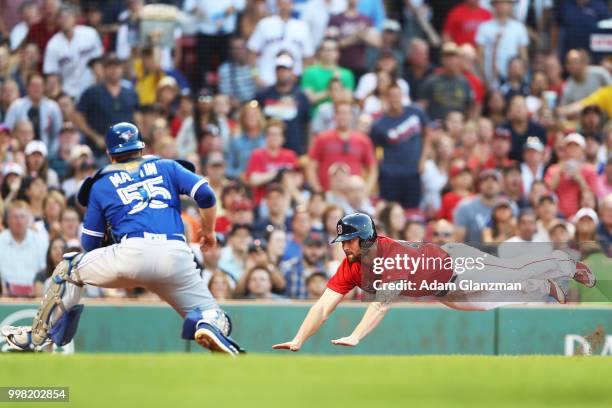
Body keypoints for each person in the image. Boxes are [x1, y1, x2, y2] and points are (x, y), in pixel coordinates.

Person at [1, 122, 244, 355]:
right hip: (176, 256)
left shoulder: (102, 182)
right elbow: (206, 195)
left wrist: (110, 250)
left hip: (131, 254)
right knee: (214, 314)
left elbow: (90, 244)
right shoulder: (168, 166)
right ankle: (209, 323)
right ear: (142, 147)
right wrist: (208, 232)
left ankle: (40, 338)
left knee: (69, 269)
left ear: (110, 154)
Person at [272, 213, 595, 351]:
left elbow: (382, 304)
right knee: (489, 304)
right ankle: (545, 288)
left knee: (514, 274)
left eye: (352, 240)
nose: (346, 246)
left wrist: (356, 335)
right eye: (344, 241)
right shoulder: (352, 264)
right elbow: (324, 305)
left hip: (459, 265)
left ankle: (565, 263)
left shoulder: (389, 254)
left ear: (367, 238)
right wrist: (299, 338)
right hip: (442, 290)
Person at [371, 84, 431, 209]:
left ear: (402, 96)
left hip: (413, 172)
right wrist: (380, 163)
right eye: (391, 96)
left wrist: (423, 159)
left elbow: (427, 134)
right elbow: (375, 149)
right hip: (389, 175)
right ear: (386, 99)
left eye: (397, 95)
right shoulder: (379, 125)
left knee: (413, 210)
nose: (394, 99)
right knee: (389, 211)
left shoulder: (416, 113)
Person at [74, 54, 139, 162]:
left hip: (127, 150)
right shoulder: (92, 92)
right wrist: (95, 137)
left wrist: (135, 139)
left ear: (121, 69)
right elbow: (77, 117)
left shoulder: (130, 92)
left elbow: (137, 118)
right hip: (100, 152)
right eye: (110, 66)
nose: (113, 70)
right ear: (104, 69)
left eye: (116, 66)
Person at [307, 101, 377, 193]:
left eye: (346, 113)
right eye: (340, 113)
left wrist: (365, 192)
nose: (343, 116)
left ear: (352, 116)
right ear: (334, 116)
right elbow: (311, 167)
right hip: (328, 196)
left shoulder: (363, 141)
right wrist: (318, 190)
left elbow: (373, 170)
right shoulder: (322, 138)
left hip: (353, 198)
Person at [247, 0, 314, 87]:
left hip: (293, 80)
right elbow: (252, 52)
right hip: (267, 79)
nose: (285, 6)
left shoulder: (302, 26)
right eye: (282, 3)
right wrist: (255, 76)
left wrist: (300, 77)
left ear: (292, 5)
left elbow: (308, 57)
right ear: (277, 4)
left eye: (287, 3)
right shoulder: (264, 24)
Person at [42, 4, 103, 99]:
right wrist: (60, 96)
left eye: (67, 16)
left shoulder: (90, 34)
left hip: (91, 87)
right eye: (61, 17)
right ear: (57, 21)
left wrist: (99, 84)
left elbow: (98, 63)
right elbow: (52, 75)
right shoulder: (53, 45)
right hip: (68, 92)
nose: (65, 20)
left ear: (74, 18)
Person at [255, 53, 311, 155]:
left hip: (295, 151)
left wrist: (307, 149)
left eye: (285, 69)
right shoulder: (263, 95)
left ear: (291, 71)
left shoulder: (301, 96)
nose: (282, 73)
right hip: (268, 151)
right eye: (279, 69)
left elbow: (307, 124)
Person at [183, 0, 245, 91]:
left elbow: (240, 5)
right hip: (205, 31)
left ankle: (227, 91)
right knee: (202, 65)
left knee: (226, 65)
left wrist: (227, 12)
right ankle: (203, 91)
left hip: (226, 31)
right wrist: (197, 9)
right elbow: (188, 5)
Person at [4, 73, 62, 157]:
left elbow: (57, 133)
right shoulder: (16, 106)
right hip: (20, 151)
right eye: (33, 85)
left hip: (46, 152)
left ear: (44, 87)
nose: (36, 89)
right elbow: (7, 131)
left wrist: (50, 153)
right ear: (27, 87)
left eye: (39, 85)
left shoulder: (53, 107)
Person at [0, 200, 48, 297]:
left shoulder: (39, 241)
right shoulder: (1, 240)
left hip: (34, 295)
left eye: (22, 216)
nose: (19, 220)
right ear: (8, 220)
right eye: (15, 217)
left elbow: (43, 269)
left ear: (28, 220)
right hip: (5, 296)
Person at [475, 0, 529, 84]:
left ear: (511, 6)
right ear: (493, 5)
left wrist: (521, 76)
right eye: (499, 2)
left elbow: (523, 56)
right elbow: (480, 55)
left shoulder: (519, 28)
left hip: (513, 79)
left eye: (506, 3)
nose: (502, 6)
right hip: (491, 78)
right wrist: (483, 77)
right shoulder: (484, 27)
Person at [418, 42, 474, 121]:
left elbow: (470, 109)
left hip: (458, 127)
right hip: (436, 127)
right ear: (442, 59)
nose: (451, 60)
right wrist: (428, 126)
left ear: (458, 59)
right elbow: (421, 107)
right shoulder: (431, 81)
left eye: (453, 57)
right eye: (447, 57)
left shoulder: (465, 83)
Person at [218, 37, 257, 106]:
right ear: (230, 51)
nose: (239, 51)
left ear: (246, 49)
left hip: (254, 103)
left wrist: (254, 70)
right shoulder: (224, 69)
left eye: (241, 48)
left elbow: (261, 87)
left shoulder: (255, 66)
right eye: (235, 48)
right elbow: (224, 92)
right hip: (234, 106)